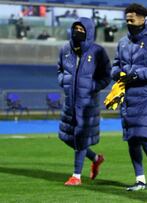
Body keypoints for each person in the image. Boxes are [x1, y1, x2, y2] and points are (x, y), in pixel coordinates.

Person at [111, 3, 147, 191]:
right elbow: (115, 65)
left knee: (143, 135)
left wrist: (136, 74)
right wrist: (119, 75)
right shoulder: (123, 43)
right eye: (127, 20)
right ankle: (140, 179)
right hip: (128, 97)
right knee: (132, 138)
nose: (129, 23)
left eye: (132, 19)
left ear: (143, 19)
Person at [57, 17, 111, 185]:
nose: (78, 32)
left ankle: (76, 176)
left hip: (88, 103)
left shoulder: (98, 51)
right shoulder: (65, 49)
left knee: (80, 137)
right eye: (76, 29)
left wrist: (93, 86)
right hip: (70, 102)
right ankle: (95, 158)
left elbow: (106, 75)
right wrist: (63, 81)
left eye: (82, 30)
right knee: (67, 137)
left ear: (89, 32)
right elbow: (60, 69)